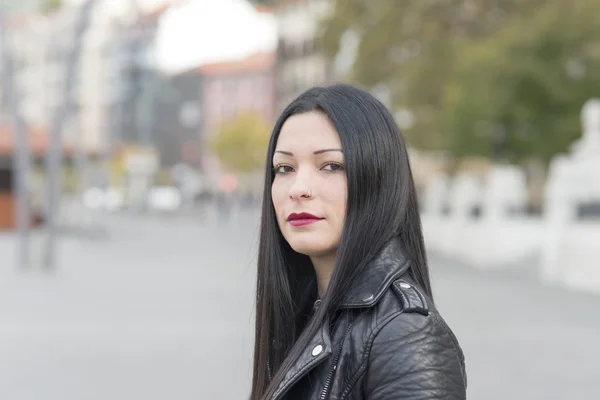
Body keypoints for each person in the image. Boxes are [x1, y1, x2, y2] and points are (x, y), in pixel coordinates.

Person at [250, 84, 467, 400]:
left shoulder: (405, 335)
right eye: (285, 168)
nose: (298, 188)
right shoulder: (304, 311)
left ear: (378, 179)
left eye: (331, 166)